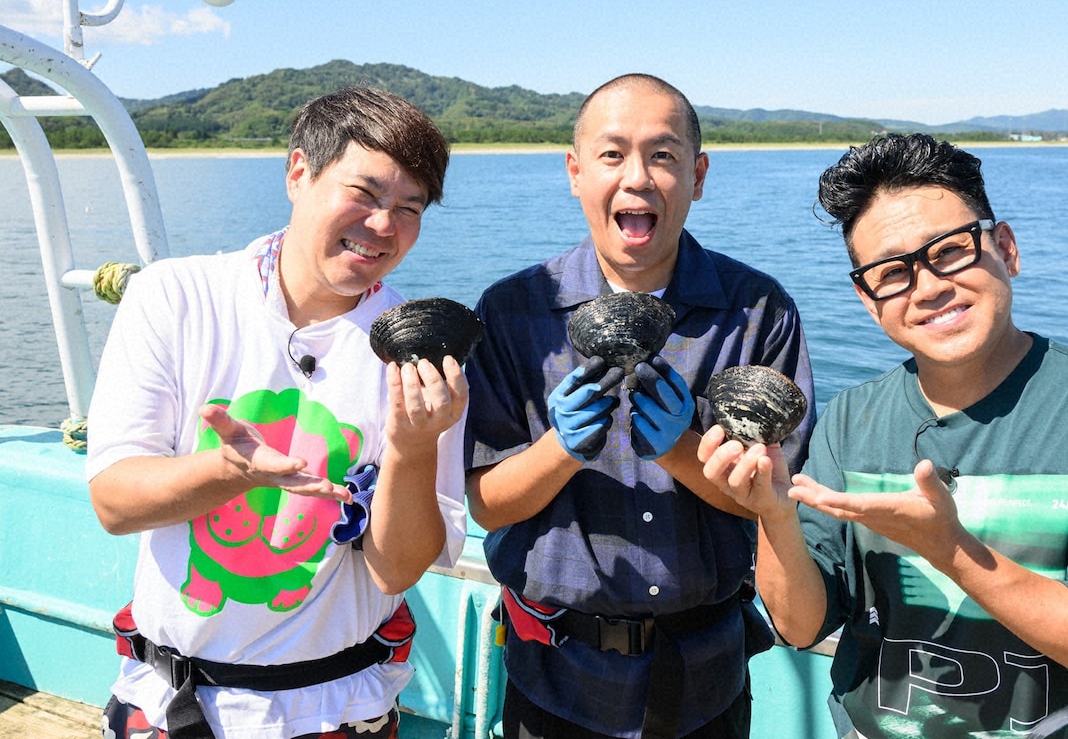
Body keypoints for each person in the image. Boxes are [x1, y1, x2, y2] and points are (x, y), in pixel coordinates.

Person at [700, 133, 1068, 738]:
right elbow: (801, 625)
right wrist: (773, 515)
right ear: (868, 300)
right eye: (892, 272)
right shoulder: (851, 418)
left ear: (1006, 248)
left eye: (949, 251)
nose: (928, 286)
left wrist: (952, 551)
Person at [86, 85, 469, 739]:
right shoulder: (175, 298)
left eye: (410, 207)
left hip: (341, 706)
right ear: (299, 172)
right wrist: (233, 470)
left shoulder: (422, 353)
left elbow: (397, 569)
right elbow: (115, 502)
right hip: (178, 702)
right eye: (366, 194)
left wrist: (411, 444)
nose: (385, 226)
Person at [463, 73, 815, 739]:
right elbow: (486, 502)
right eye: (612, 153)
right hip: (554, 675)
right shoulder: (512, 311)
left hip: (705, 676)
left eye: (663, 154)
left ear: (698, 174)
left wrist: (683, 448)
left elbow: (775, 498)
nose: (638, 176)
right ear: (574, 171)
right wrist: (560, 449)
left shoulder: (759, 310)